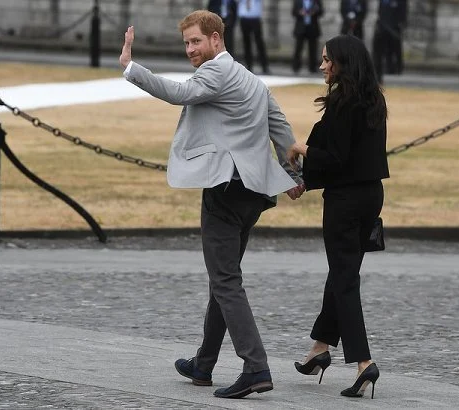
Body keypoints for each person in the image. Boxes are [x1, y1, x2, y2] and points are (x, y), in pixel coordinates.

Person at [119, 10, 304, 399]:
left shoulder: (215, 73)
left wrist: (131, 68)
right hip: (253, 194)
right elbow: (280, 126)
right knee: (223, 278)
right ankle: (204, 364)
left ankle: (256, 368)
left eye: (196, 41)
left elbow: (179, 93)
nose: (190, 50)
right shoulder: (252, 80)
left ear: (216, 39)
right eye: (186, 43)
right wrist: (294, 176)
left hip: (225, 190)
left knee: (225, 281)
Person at [287, 34, 390, 399]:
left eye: (327, 59)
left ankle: (364, 363)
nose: (322, 66)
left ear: (343, 62)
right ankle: (320, 347)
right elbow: (356, 160)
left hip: (345, 202)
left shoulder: (343, 103)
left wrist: (303, 149)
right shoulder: (374, 99)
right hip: (370, 196)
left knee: (345, 279)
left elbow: (335, 159)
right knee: (343, 270)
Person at [372, 0, 408, 83]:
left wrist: (400, 24)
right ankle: (387, 68)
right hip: (383, 27)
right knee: (384, 49)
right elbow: (380, 12)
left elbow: (403, 13)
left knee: (397, 49)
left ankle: (398, 68)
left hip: (394, 28)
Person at [238, 0, 271, 74]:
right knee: (246, 43)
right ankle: (249, 66)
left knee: (259, 43)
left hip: (255, 19)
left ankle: (264, 66)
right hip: (244, 19)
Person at [292, 0, 324, 74]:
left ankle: (312, 67)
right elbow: (293, 12)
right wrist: (300, 12)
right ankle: (296, 67)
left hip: (312, 27)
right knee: (298, 48)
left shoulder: (316, 1)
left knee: (313, 49)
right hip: (301, 28)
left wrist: (314, 12)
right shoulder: (297, 1)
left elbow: (321, 12)